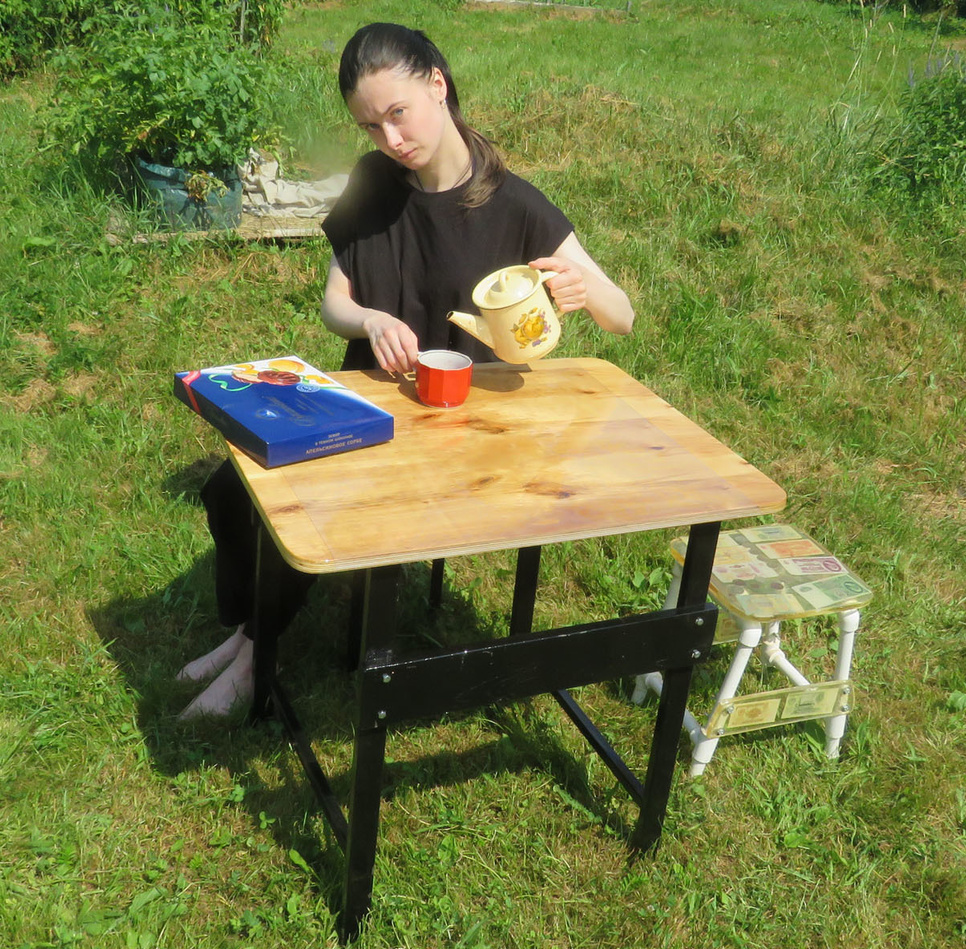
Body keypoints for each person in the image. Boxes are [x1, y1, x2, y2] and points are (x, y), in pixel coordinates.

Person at [177, 22, 634, 722]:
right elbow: (334, 304)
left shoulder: (513, 204)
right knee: (233, 490)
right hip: (367, 401)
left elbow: (621, 317)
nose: (390, 139)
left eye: (398, 113)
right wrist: (370, 321)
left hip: (456, 432)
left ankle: (255, 655)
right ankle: (248, 636)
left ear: (437, 86)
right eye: (370, 125)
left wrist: (580, 286)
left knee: (312, 496)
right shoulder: (374, 183)